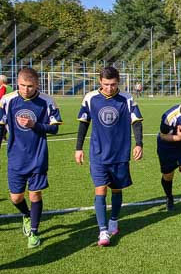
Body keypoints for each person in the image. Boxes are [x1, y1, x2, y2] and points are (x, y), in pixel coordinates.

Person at [75, 66, 143, 247]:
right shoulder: (90, 98)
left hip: (120, 154)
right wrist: (78, 148)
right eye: (106, 84)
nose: (109, 88)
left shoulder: (127, 98)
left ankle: (113, 220)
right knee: (100, 190)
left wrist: (139, 143)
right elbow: (83, 124)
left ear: (118, 81)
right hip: (98, 154)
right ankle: (103, 231)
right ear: (100, 82)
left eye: (113, 84)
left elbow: (136, 121)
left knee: (117, 190)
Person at [0, 68, 62, 248]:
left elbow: (55, 128)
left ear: (37, 85)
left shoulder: (47, 101)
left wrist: (35, 125)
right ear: (17, 83)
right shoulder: (7, 100)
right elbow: (1, 126)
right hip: (16, 156)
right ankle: (26, 215)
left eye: (30, 86)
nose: (26, 89)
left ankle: (33, 232)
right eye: (22, 86)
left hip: (38, 155)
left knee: (35, 193)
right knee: (16, 198)